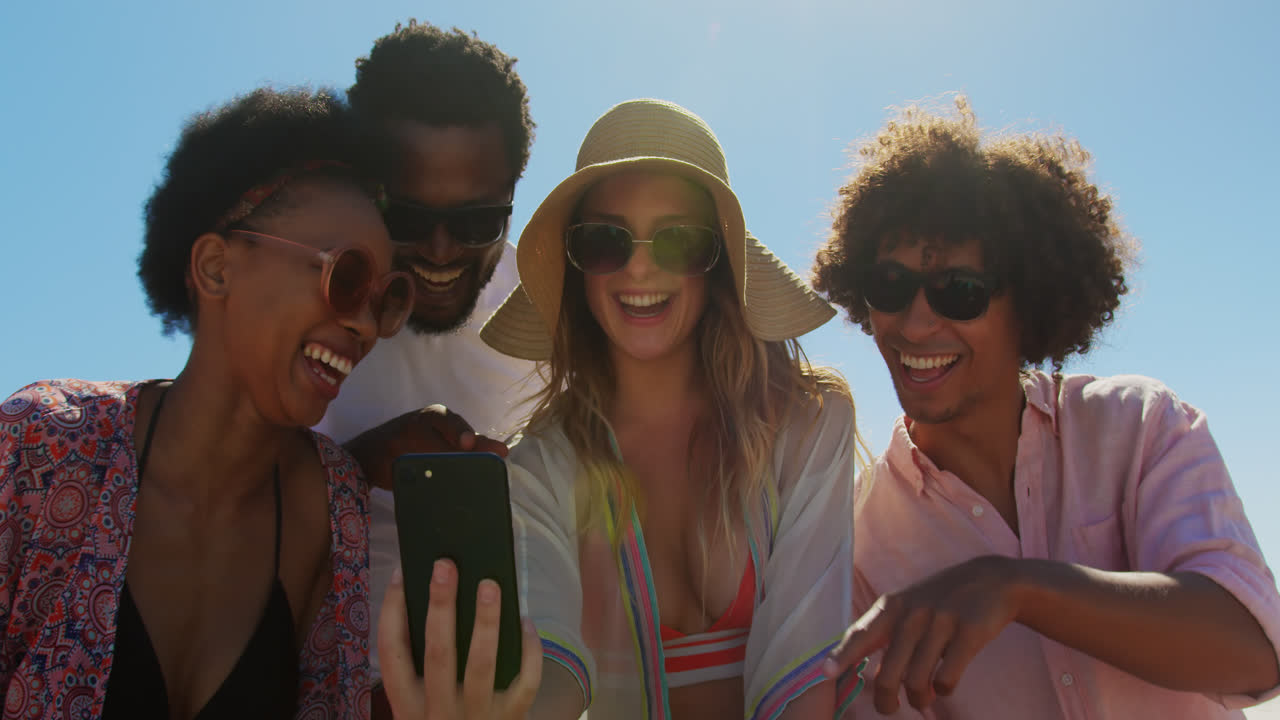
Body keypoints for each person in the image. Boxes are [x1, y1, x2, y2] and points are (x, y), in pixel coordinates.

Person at [812, 98, 1280, 718]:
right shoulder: (860, 542)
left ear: (1028, 303)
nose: (917, 323)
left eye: (960, 291)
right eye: (890, 285)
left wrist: (1018, 588)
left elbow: (1252, 652)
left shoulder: (1140, 428)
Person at [429, 98, 865, 720]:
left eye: (678, 240)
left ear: (718, 265)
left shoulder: (810, 421)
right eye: (605, 240)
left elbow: (809, 672)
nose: (638, 265)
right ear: (577, 268)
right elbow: (552, 661)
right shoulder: (540, 466)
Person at [0, 88, 411, 718]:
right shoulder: (42, 447)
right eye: (347, 277)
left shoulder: (333, 508)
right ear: (216, 268)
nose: (366, 326)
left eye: (384, 300)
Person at [316, 22, 538, 704]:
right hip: (319, 680)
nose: (441, 252)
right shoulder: (307, 293)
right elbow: (214, 493)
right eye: (407, 218)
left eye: (477, 222)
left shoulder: (551, 308)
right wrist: (353, 466)